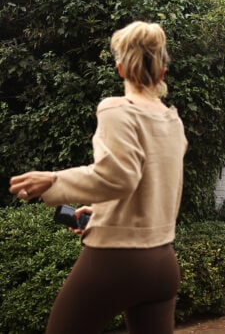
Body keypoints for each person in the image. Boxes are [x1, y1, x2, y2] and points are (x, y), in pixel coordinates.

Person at [8, 21, 187, 333]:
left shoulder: (117, 109)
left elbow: (118, 177)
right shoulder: (173, 121)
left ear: (120, 68)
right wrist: (102, 211)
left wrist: (53, 181)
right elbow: (152, 187)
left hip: (118, 261)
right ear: (162, 72)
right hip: (162, 264)